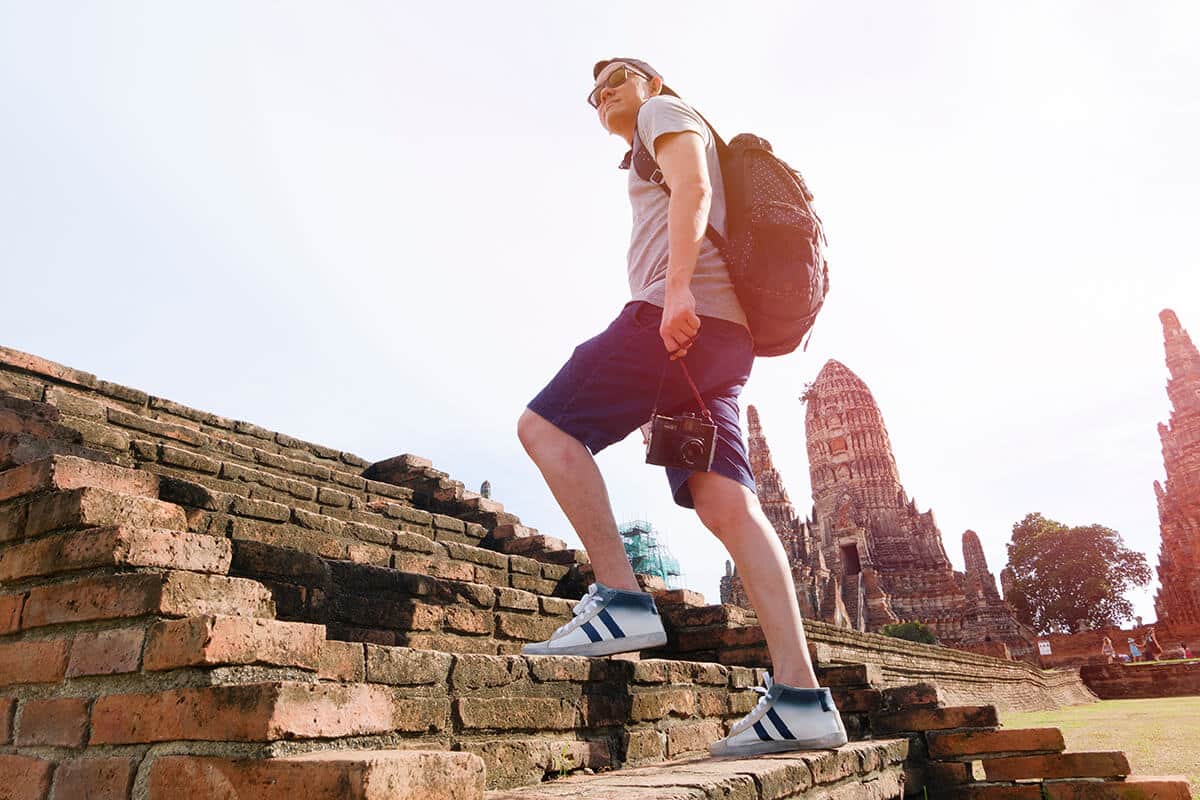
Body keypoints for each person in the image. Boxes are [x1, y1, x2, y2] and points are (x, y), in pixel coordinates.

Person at [516, 58, 847, 757]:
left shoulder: (664, 115)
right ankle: (801, 698)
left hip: (674, 325)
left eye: (618, 80)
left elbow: (693, 186)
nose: (603, 94)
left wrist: (674, 294)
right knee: (729, 507)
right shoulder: (648, 136)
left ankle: (620, 599)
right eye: (593, 92)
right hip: (715, 348)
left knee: (546, 427)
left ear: (653, 84)